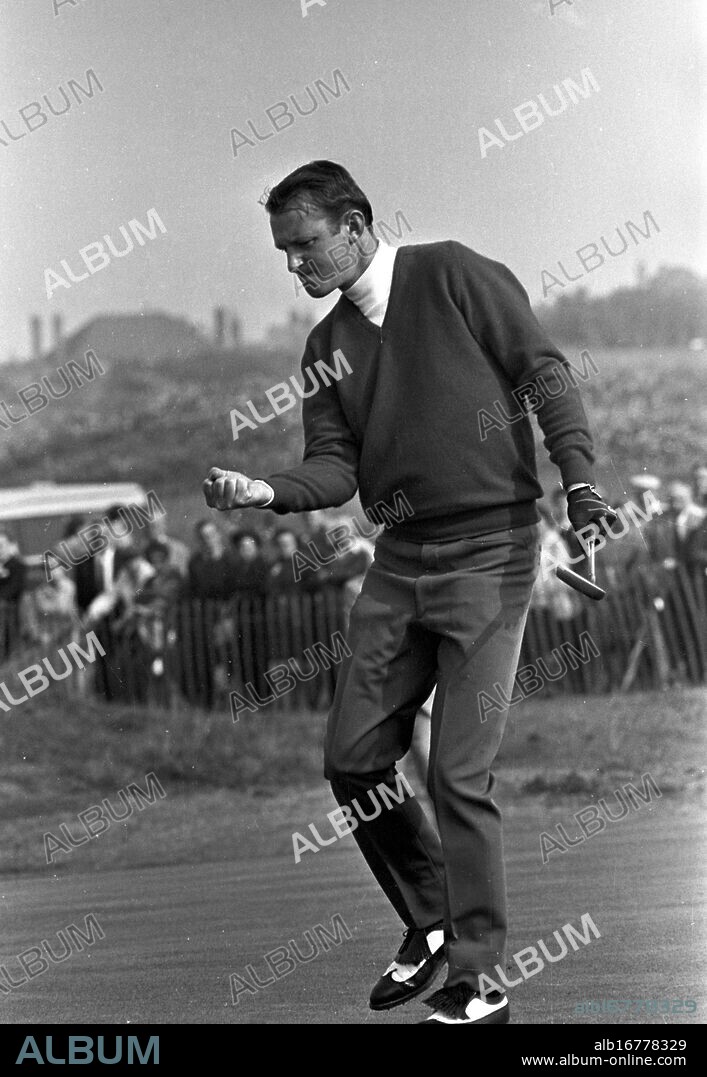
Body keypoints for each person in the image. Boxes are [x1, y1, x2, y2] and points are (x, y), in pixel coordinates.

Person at [202, 160, 615, 1025]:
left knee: (459, 774)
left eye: (305, 245)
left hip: (491, 553)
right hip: (399, 561)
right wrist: (263, 491)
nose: (295, 267)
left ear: (354, 225)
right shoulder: (324, 350)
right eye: (283, 253)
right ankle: (429, 915)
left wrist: (580, 483)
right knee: (351, 758)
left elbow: (544, 372)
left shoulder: (456, 273)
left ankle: (478, 978)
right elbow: (331, 470)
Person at [0, 531, 27, 661]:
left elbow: (14, 589)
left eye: (1, 546)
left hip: (11, 614)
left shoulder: (17, 565)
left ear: (9, 546)